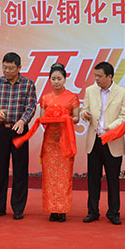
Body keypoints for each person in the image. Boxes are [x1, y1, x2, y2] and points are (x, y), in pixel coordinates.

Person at [0, 52, 37, 220]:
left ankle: (18, 208)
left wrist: (23, 121)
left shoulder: (28, 84)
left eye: (10, 68)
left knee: (20, 170)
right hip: (1, 130)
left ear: (19, 67)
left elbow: (31, 106)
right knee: (0, 169)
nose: (7, 71)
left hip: (19, 130)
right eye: (4, 67)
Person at [81, 62, 125, 224]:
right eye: (95, 75)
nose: (96, 79)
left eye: (99, 76)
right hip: (94, 140)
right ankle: (92, 211)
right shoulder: (90, 90)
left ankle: (113, 212)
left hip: (112, 140)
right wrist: (84, 114)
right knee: (93, 179)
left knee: (113, 179)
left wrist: (110, 128)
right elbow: (84, 109)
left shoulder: (123, 93)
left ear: (110, 76)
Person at [36, 63, 80, 222]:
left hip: (65, 139)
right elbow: (41, 118)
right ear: (49, 79)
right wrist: (51, 118)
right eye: (53, 79)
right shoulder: (46, 98)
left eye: (59, 78)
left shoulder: (72, 97)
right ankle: (52, 209)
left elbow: (76, 118)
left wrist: (64, 118)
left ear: (65, 79)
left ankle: (62, 209)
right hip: (50, 141)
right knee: (49, 175)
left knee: (64, 175)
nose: (56, 82)